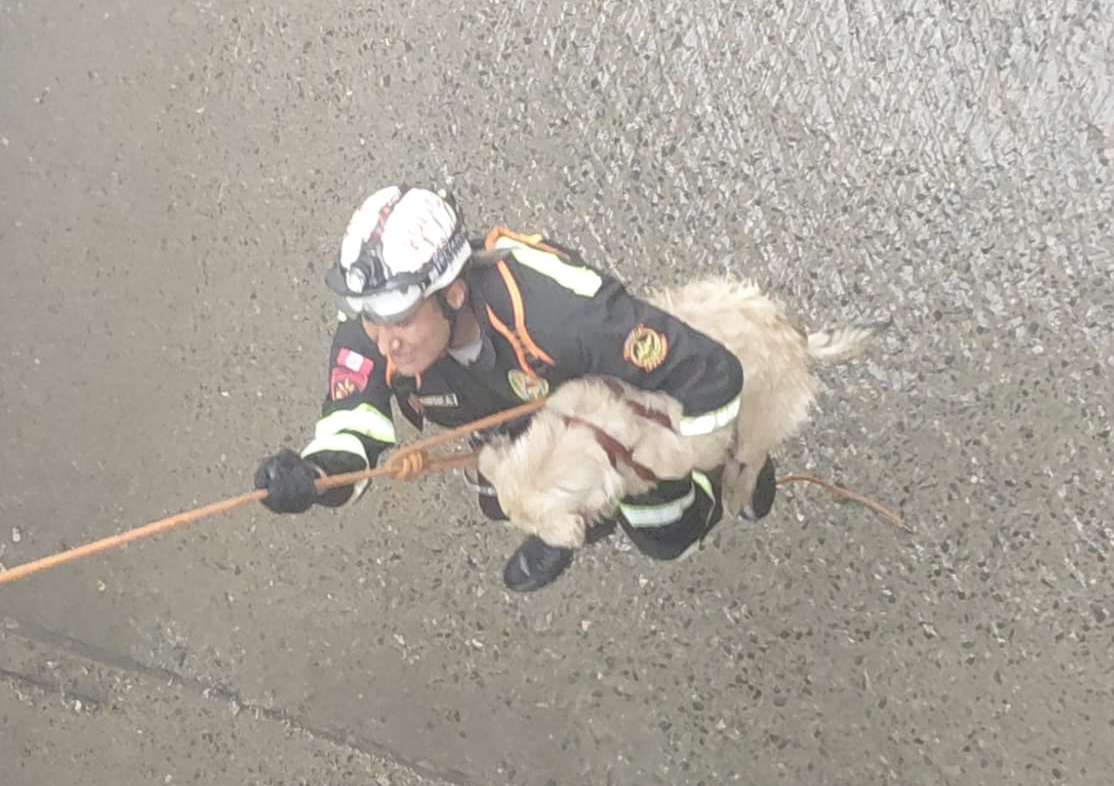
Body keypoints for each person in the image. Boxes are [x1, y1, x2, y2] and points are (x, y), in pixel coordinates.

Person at [252, 185, 776, 592]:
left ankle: (733, 472)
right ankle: (573, 519)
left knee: (666, 534)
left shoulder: (564, 315)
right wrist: (315, 475)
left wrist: (690, 451)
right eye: (370, 318)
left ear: (454, 292)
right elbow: (352, 428)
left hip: (609, 408)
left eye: (402, 319)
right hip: (511, 422)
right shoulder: (372, 336)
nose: (386, 342)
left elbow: (713, 373)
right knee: (503, 502)